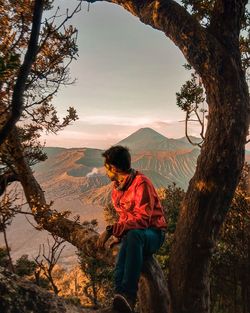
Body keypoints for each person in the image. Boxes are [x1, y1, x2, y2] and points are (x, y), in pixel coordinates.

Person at [97, 145, 167, 313]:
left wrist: (111, 229)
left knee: (134, 235)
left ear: (113, 168)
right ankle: (120, 296)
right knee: (129, 239)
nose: (105, 171)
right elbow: (125, 217)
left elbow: (142, 221)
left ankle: (129, 295)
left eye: (107, 167)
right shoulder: (117, 189)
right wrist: (119, 235)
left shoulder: (141, 183)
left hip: (154, 234)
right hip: (134, 236)